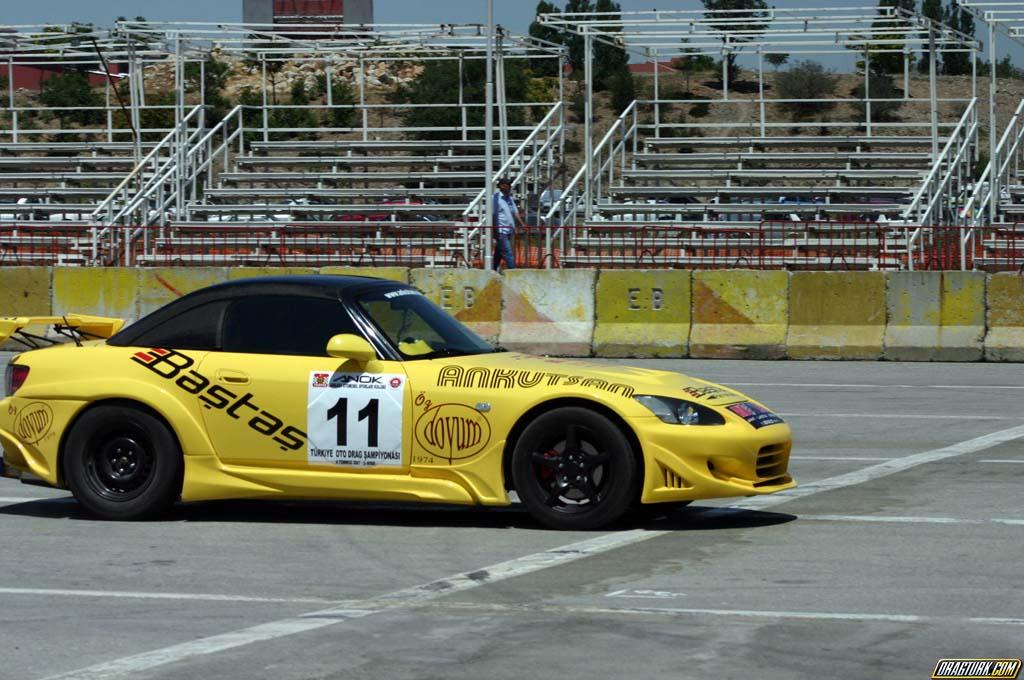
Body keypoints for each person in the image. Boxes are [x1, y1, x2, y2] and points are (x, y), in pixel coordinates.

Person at [492, 176, 525, 271]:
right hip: (501, 230)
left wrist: (522, 224)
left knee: (499, 253)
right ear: (502, 186)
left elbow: (515, 212)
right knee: (508, 253)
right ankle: (513, 273)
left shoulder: (509, 198)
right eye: (508, 184)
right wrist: (495, 230)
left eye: (510, 184)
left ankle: (493, 270)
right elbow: (493, 214)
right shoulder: (495, 198)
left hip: (509, 231)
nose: (510, 186)